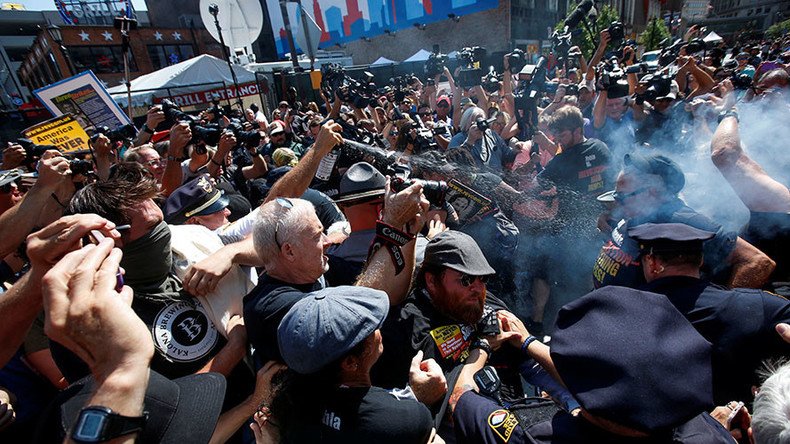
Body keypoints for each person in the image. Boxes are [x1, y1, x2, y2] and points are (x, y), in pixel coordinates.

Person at [451, 286, 734, 443]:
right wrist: (527, 342)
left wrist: (483, 347)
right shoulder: (706, 431)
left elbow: (459, 396)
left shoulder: (536, 438)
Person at [372, 231, 528, 440]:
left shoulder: (487, 303)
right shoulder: (409, 330)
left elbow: (531, 363)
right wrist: (483, 346)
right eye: (466, 280)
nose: (478, 289)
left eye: (483, 279)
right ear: (432, 281)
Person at [629, 222, 790, 404]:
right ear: (701, 260)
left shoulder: (623, 309)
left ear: (653, 263)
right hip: (730, 423)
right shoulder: (754, 306)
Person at [264, 286, 441, 443]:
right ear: (350, 363)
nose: (378, 331)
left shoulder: (281, 412)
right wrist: (417, 400)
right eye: (369, 329)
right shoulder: (407, 419)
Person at [592, 151, 775, 290]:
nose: (617, 202)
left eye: (622, 197)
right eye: (615, 196)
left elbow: (758, 262)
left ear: (653, 192)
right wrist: (610, 220)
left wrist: (724, 308)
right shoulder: (636, 213)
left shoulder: (683, 222)